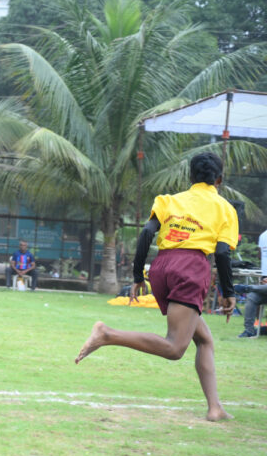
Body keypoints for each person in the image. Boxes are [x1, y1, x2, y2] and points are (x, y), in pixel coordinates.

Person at [75, 152, 237, 422]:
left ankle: (215, 407)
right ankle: (107, 334)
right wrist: (229, 293)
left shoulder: (169, 200)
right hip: (191, 268)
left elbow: (147, 233)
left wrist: (138, 275)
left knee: (204, 339)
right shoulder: (225, 209)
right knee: (174, 348)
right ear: (219, 180)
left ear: (190, 177)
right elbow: (221, 253)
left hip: (161, 267)